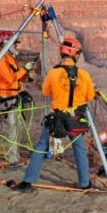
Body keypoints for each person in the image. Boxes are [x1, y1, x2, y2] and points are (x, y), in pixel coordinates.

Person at [10, 37, 95, 192]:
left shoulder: (53, 73)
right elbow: (90, 96)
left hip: (56, 118)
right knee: (79, 149)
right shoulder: (84, 74)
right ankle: (84, 183)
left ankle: (27, 182)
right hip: (76, 118)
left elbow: (45, 92)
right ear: (75, 54)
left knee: (42, 145)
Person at [0, 31, 35, 166]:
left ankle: (15, 155)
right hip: (6, 98)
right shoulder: (0, 59)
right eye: (15, 43)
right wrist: (24, 69)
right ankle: (12, 159)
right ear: (7, 43)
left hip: (14, 97)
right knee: (12, 129)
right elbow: (10, 78)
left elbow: (16, 76)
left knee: (17, 128)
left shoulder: (10, 59)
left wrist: (27, 74)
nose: (16, 46)